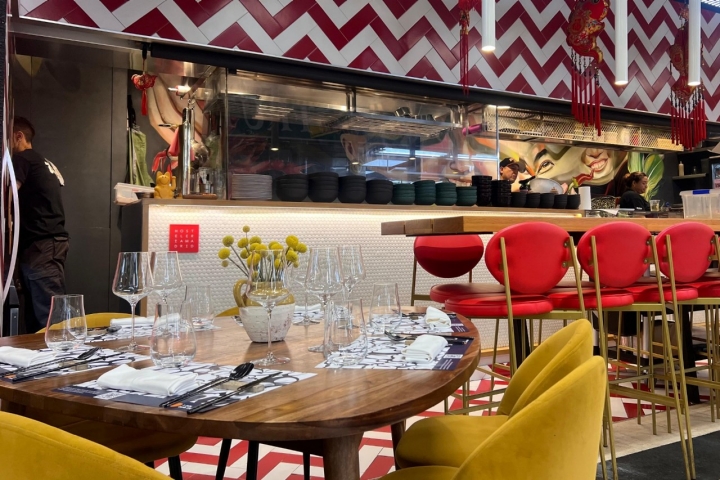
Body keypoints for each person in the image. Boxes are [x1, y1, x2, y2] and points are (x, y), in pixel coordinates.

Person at [11, 117, 69, 334]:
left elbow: (8, 194)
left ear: (18, 136)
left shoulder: (22, 158)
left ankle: (62, 354)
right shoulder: (44, 162)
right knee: (44, 312)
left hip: (41, 245)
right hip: (51, 241)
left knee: (49, 316)